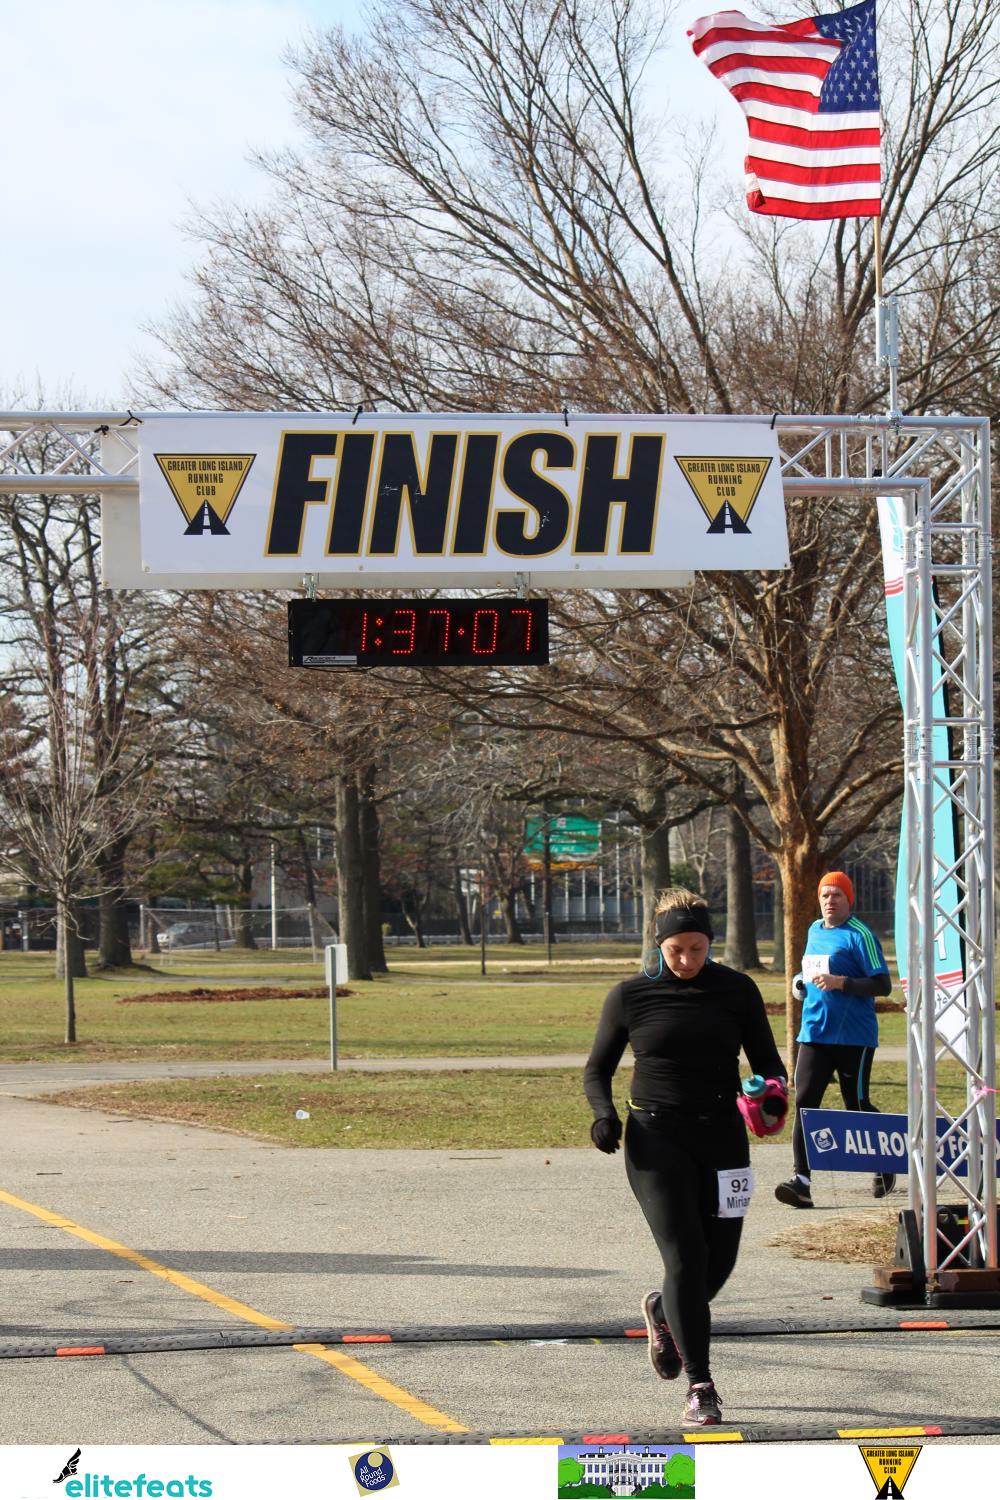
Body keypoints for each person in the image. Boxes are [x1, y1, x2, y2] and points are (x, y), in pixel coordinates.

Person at [584, 888, 786, 1428]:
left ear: (709, 944)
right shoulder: (630, 995)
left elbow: (769, 1065)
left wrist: (771, 1095)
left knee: (719, 1261)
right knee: (686, 1259)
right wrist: (604, 1114)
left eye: (697, 948)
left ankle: (664, 1313)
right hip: (656, 1139)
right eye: (676, 949)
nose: (687, 959)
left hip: (723, 1138)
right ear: (659, 944)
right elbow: (597, 1069)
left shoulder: (737, 990)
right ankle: (701, 1384)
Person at [774, 871, 895, 1209]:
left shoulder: (860, 935)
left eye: (837, 895)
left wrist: (842, 982)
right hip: (814, 1033)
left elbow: (883, 985)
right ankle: (801, 1181)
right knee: (805, 1103)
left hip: (854, 1038)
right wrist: (800, 982)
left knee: (856, 1105)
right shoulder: (814, 930)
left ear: (848, 899)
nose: (830, 901)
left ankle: (885, 1163)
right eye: (825, 895)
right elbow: (810, 970)